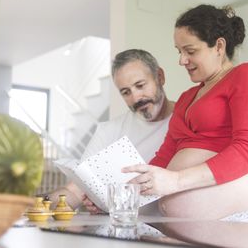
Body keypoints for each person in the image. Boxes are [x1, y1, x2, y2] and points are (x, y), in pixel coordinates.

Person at [123, 4, 248, 226]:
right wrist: (128, 193)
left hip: (244, 221)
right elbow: (165, 156)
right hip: (192, 228)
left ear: (219, 46)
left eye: (190, 51)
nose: (182, 60)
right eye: (179, 51)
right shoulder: (186, 98)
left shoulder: (246, 77)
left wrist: (177, 180)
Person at [49, 49, 175, 211]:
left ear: (160, 77)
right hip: (120, 228)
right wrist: (37, 205)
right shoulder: (109, 130)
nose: (136, 98)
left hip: (172, 228)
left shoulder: (189, 120)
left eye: (140, 85)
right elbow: (74, 190)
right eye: (126, 92)